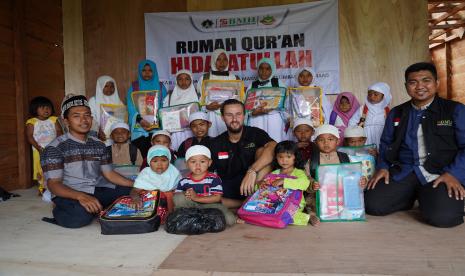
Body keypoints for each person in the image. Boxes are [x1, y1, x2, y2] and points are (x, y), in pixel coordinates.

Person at [365, 62, 465, 228]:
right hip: (405, 171)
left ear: (436, 83)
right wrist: (382, 167)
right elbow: (386, 144)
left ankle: (431, 198)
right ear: (406, 86)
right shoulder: (397, 113)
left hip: (441, 173)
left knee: (444, 217)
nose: (420, 86)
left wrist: (454, 174)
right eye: (413, 82)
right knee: (373, 204)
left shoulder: (454, 110)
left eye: (426, 80)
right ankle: (411, 196)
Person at [41, 95, 134, 228]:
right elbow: (54, 184)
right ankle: (60, 210)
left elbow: (109, 174)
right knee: (79, 217)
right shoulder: (55, 148)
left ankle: (96, 206)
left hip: (96, 189)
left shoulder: (99, 144)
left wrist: (137, 184)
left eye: (87, 115)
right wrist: (80, 196)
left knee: (131, 190)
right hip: (70, 192)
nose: (84, 120)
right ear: (66, 121)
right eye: (76, 116)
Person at [210, 99, 277, 208]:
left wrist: (252, 170)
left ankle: (253, 199)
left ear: (244, 115)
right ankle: (245, 205)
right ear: (222, 117)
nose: (234, 119)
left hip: (255, 185)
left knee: (263, 150)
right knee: (207, 198)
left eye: (238, 114)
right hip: (228, 189)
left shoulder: (255, 133)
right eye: (229, 115)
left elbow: (273, 147)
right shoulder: (216, 143)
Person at [309, 124, 367, 225]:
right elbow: (306, 177)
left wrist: (362, 181)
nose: (326, 143)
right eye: (321, 140)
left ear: (337, 141)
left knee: (349, 206)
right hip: (320, 195)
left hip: (341, 194)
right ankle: (312, 215)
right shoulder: (312, 160)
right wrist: (312, 184)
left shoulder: (346, 158)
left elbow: (355, 175)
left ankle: (344, 212)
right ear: (315, 142)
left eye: (330, 139)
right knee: (311, 204)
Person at [173, 145, 238, 226]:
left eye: (202, 162)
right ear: (186, 164)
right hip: (191, 208)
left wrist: (196, 197)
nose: (198, 165)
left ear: (209, 163)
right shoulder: (184, 181)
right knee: (178, 197)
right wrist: (186, 194)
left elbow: (217, 197)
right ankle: (194, 217)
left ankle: (201, 217)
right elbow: (177, 197)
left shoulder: (214, 179)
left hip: (211, 206)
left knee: (230, 220)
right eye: (193, 162)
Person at [258, 141, 310, 225]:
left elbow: (305, 183)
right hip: (277, 203)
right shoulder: (275, 173)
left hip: (295, 204)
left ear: (295, 157)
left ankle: (306, 218)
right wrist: (260, 185)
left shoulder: (299, 172)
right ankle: (276, 217)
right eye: (280, 157)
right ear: (276, 158)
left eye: (288, 157)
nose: (284, 160)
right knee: (263, 210)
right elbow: (263, 189)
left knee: (288, 214)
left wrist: (284, 181)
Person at [127, 59, 168, 157]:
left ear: (154, 71)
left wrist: (156, 121)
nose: (147, 73)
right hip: (139, 129)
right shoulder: (134, 87)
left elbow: (164, 107)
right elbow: (131, 106)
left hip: (157, 130)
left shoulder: (161, 87)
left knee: (157, 156)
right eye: (144, 70)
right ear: (140, 71)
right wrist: (140, 120)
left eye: (150, 70)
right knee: (144, 158)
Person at [197, 49, 241, 137]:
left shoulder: (234, 78)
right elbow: (200, 100)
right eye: (218, 59)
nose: (222, 63)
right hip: (211, 115)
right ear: (213, 60)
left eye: (225, 59)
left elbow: (239, 99)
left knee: (230, 140)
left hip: (230, 115)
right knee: (213, 142)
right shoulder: (205, 78)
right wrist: (207, 107)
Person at [26, 96, 62, 194]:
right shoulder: (32, 122)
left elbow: (59, 132)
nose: (46, 110)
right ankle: (42, 187)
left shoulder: (53, 119)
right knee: (40, 167)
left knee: (53, 166)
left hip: (53, 148)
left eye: (48, 107)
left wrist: (56, 144)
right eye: (43, 107)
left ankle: (54, 185)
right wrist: (38, 147)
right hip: (39, 150)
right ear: (35, 109)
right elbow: (29, 136)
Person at [246, 57, 288, 142]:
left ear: (272, 69)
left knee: (275, 142)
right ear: (258, 70)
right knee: (257, 142)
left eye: (267, 69)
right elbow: (247, 107)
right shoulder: (252, 85)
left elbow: (286, 104)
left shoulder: (279, 83)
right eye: (261, 68)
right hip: (257, 119)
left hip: (274, 118)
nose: (264, 71)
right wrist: (253, 113)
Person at [162, 69, 198, 151]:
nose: (183, 82)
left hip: (193, 133)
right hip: (175, 134)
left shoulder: (198, 97)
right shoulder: (169, 98)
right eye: (180, 79)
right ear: (176, 81)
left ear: (191, 80)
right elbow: (164, 116)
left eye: (187, 79)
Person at [88, 75, 124, 144]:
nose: (109, 89)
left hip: (116, 138)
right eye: (106, 86)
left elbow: (122, 119)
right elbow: (91, 118)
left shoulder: (119, 102)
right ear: (100, 86)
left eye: (112, 86)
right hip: (100, 136)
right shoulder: (93, 101)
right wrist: (98, 131)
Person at [356, 82, 392, 147]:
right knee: (367, 154)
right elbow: (353, 122)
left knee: (381, 152)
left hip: (381, 135)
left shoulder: (387, 110)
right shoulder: (363, 108)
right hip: (366, 136)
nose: (372, 96)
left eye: (376, 94)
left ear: (383, 96)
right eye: (369, 94)